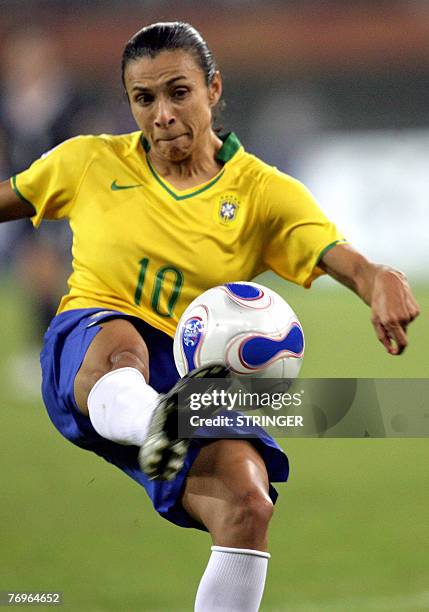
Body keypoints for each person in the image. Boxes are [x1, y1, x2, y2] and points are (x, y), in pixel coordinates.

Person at [0, 21, 419, 612]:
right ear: (130, 104)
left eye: (178, 92)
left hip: (191, 377)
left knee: (248, 504)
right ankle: (157, 421)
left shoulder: (262, 193)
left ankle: (165, 422)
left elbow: (341, 259)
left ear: (213, 89)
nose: (163, 114)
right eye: (144, 99)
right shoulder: (87, 163)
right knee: (123, 345)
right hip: (92, 347)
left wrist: (381, 278)